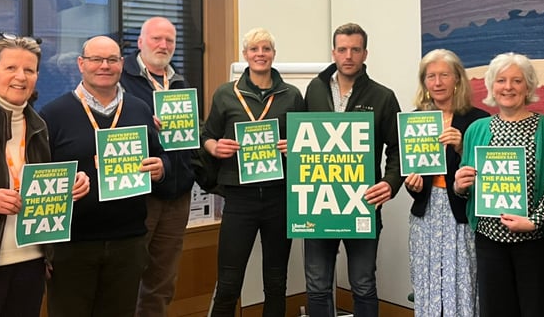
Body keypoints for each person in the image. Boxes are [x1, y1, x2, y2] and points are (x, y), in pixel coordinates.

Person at [0, 33, 89, 317]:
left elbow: (32, 186)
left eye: (29, 69)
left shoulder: (39, 125)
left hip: (30, 265)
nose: (20, 77)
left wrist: (67, 188)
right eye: (11, 68)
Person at [39, 35, 169, 317]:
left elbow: (163, 156)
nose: (104, 66)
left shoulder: (139, 109)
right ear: (81, 64)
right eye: (96, 59)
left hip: (129, 241)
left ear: (122, 64)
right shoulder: (53, 114)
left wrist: (161, 167)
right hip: (72, 245)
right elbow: (36, 177)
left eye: (112, 59)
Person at [453, 52, 544, 317]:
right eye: (501, 80)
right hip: (489, 240)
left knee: (539, 310)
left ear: (528, 86)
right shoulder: (477, 129)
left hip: (536, 240)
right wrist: (460, 186)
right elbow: (467, 187)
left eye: (517, 81)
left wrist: (535, 221)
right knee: (496, 310)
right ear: (492, 86)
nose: (508, 87)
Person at [201, 27, 303, 317]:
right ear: (245, 55)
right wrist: (214, 147)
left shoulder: (292, 95)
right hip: (239, 198)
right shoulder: (225, 93)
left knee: (275, 282)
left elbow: (306, 140)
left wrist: (293, 145)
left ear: (273, 54)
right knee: (229, 283)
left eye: (266, 49)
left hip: (279, 197)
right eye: (254, 49)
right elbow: (207, 135)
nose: (260, 54)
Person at [303, 22, 403, 317]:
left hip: (363, 203)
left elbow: (397, 148)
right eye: (342, 49)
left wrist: (390, 182)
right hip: (318, 204)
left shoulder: (382, 96)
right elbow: (304, 139)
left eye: (355, 50)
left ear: (365, 53)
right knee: (318, 286)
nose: (348, 56)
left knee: (362, 284)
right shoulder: (315, 90)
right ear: (333, 52)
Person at [404, 49, 489, 317]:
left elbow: (489, 173)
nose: (438, 82)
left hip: (461, 214)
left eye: (444, 75)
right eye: (431, 76)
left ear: (457, 80)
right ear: (424, 82)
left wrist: (462, 147)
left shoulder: (478, 120)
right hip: (426, 215)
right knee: (428, 279)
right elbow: (412, 174)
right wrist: (412, 184)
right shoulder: (415, 119)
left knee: (463, 278)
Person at [121, 17, 196, 317]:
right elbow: (103, 123)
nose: (163, 45)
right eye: (156, 39)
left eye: (169, 40)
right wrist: (140, 120)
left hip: (177, 196)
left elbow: (191, 136)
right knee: (126, 278)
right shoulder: (120, 78)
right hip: (141, 196)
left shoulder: (180, 82)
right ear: (140, 42)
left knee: (162, 282)